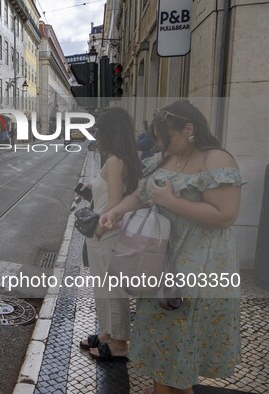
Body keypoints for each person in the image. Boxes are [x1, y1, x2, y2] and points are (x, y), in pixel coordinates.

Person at [99, 100, 243, 393]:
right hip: (159, 264)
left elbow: (225, 216)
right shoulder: (165, 158)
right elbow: (140, 196)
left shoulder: (216, 160)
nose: (162, 144)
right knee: (162, 355)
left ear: (189, 129)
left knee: (175, 356)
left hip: (197, 267)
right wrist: (115, 213)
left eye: (167, 137)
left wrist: (170, 201)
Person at [77, 107, 142, 362]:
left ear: (109, 132)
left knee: (112, 291)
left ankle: (118, 343)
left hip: (106, 233)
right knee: (103, 288)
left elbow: (115, 203)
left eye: (99, 130)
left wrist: (98, 230)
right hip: (102, 232)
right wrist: (92, 186)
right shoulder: (119, 158)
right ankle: (107, 333)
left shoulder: (115, 161)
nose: (96, 135)